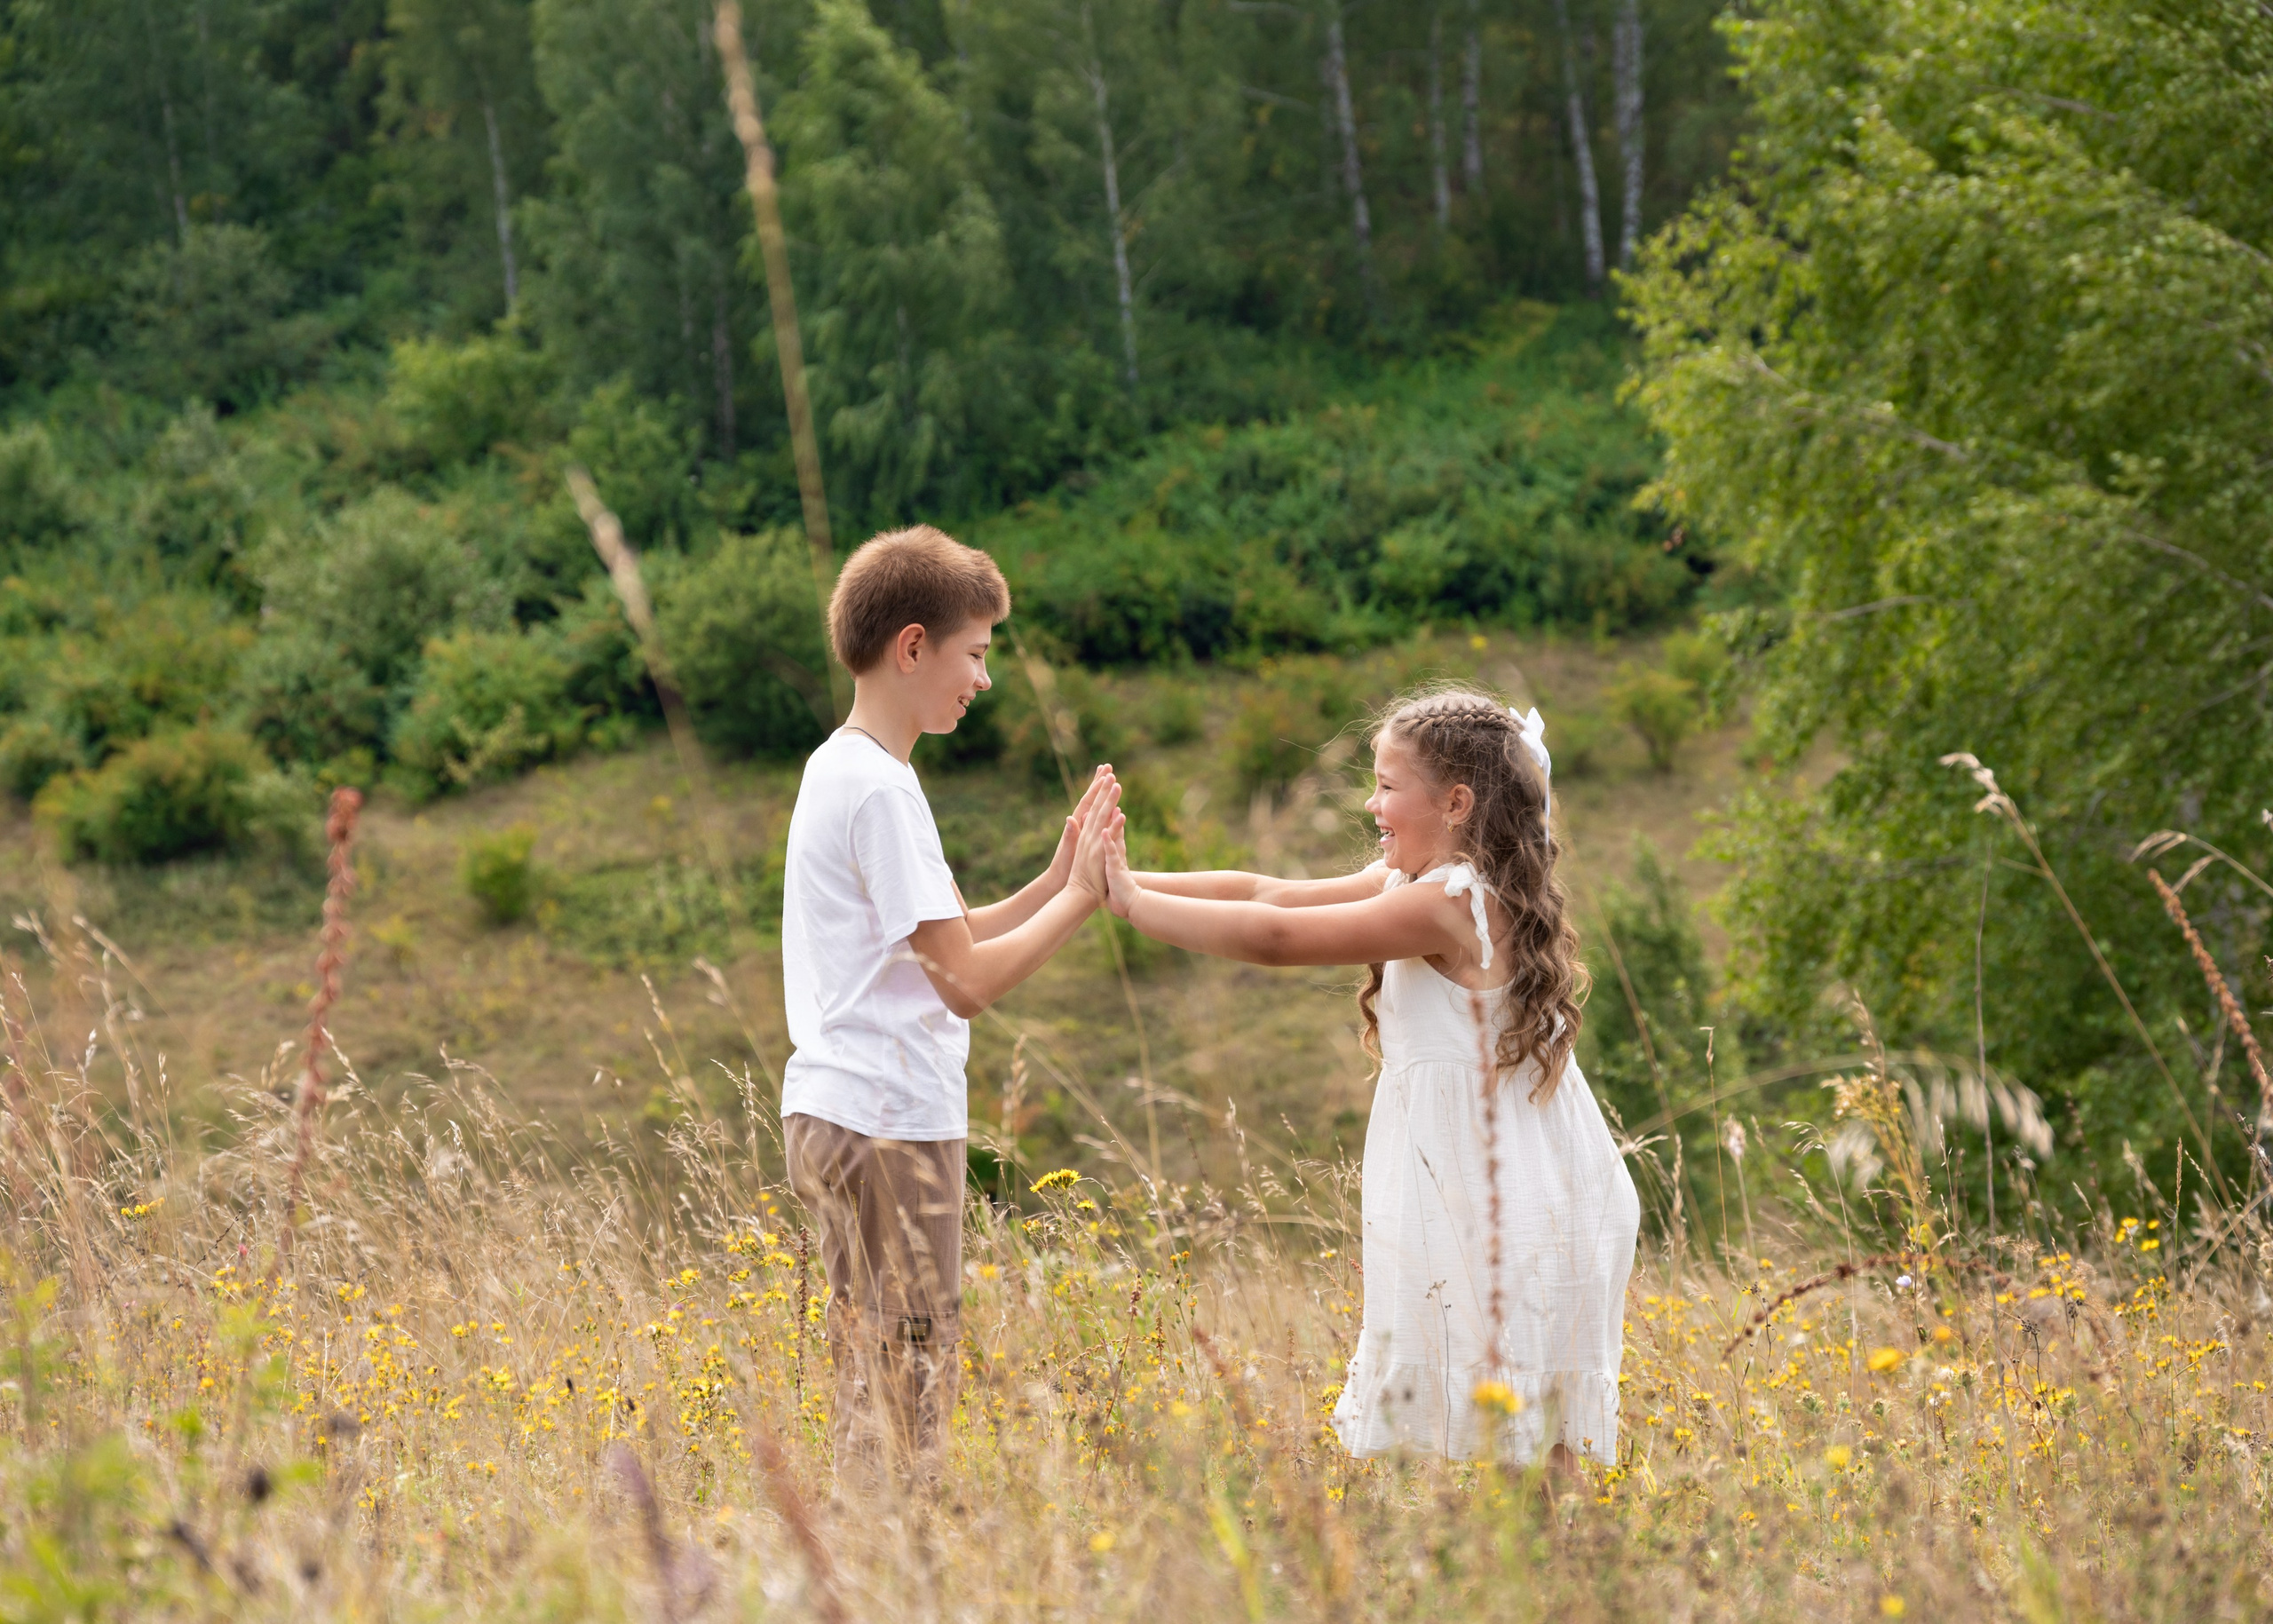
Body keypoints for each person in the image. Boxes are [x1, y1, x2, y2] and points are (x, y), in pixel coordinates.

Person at [1104, 686, 1637, 1470]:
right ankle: (1531, 1580)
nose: (1371, 801)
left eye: (1388, 786)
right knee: (1503, 1442)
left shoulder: (1452, 906)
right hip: (1490, 1189)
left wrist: (1134, 906)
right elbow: (1265, 891)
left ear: (1455, 802)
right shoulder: (1426, 886)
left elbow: (1281, 937)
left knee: (1509, 1443)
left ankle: (1545, 1579)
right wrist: (1119, 878)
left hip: (1506, 1202)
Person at [780, 524, 1120, 1493]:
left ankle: (861, 1559)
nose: (983, 679)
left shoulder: (837, 767)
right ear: (913, 646)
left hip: (835, 1112)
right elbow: (965, 980)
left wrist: (1055, 877)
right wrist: (1086, 899)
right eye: (974, 654)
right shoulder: (883, 790)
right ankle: (902, 1569)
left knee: (868, 1380)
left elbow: (948, 933)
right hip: (890, 1124)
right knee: (911, 1394)